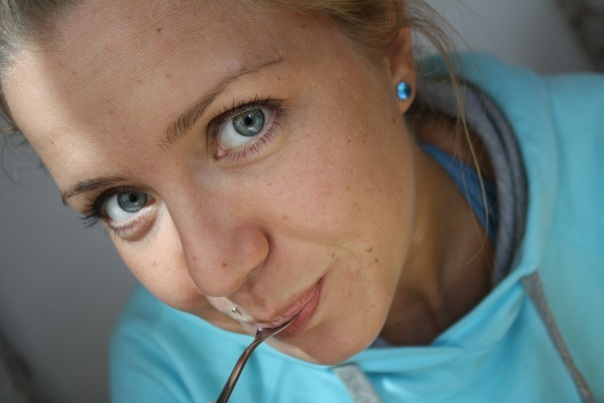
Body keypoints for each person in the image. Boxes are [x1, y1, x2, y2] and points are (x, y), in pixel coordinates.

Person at [0, 0, 602, 401]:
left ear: (388, 48)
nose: (216, 273)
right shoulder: (171, 373)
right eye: (125, 200)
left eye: (244, 123)